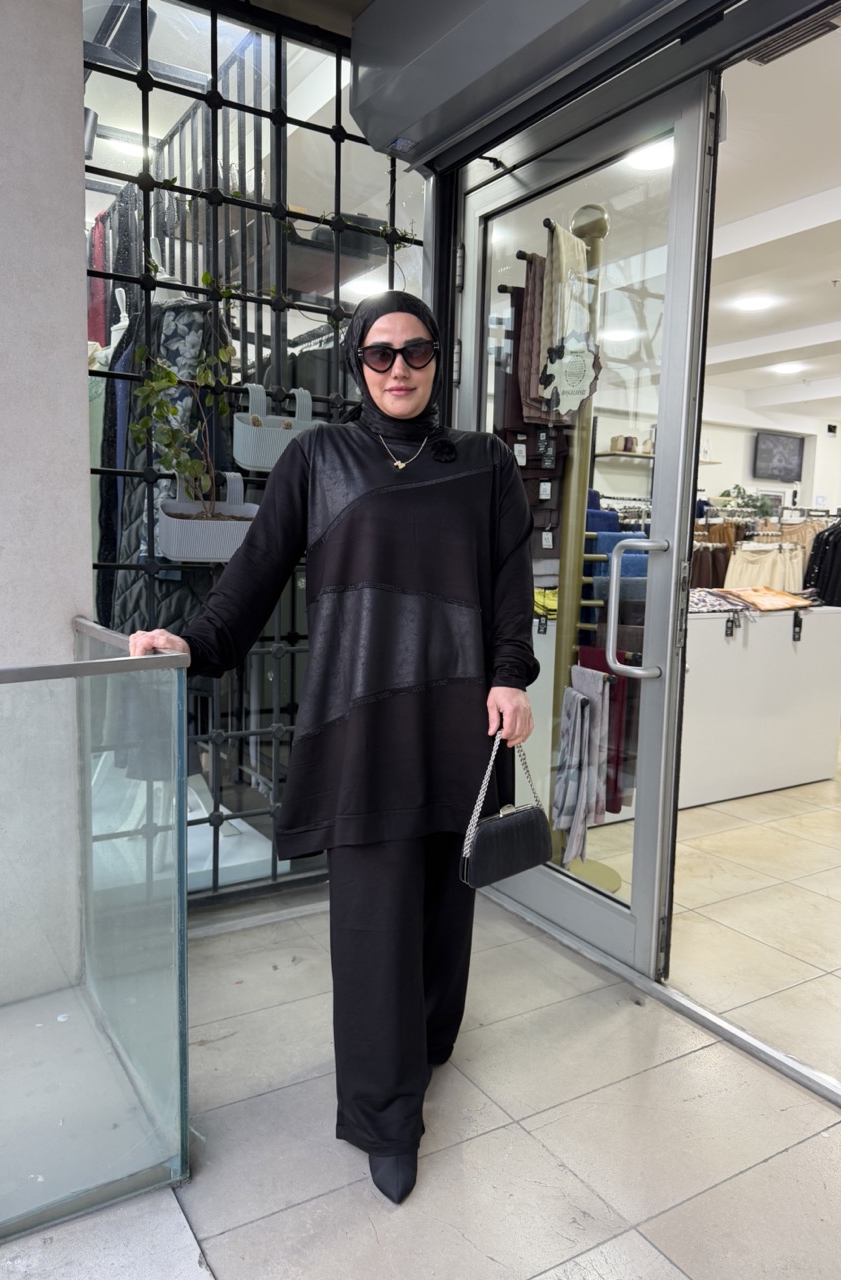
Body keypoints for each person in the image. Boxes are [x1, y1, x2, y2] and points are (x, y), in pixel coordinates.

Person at [130, 290, 539, 1203]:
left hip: (460, 720)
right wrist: (191, 642)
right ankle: (385, 1116)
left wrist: (512, 675)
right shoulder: (318, 457)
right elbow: (253, 574)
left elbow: (511, 584)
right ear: (356, 363)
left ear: (439, 361)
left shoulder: (484, 463)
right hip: (363, 729)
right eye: (379, 353)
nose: (399, 368)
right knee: (373, 925)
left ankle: (427, 1044)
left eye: (416, 351)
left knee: (446, 907)